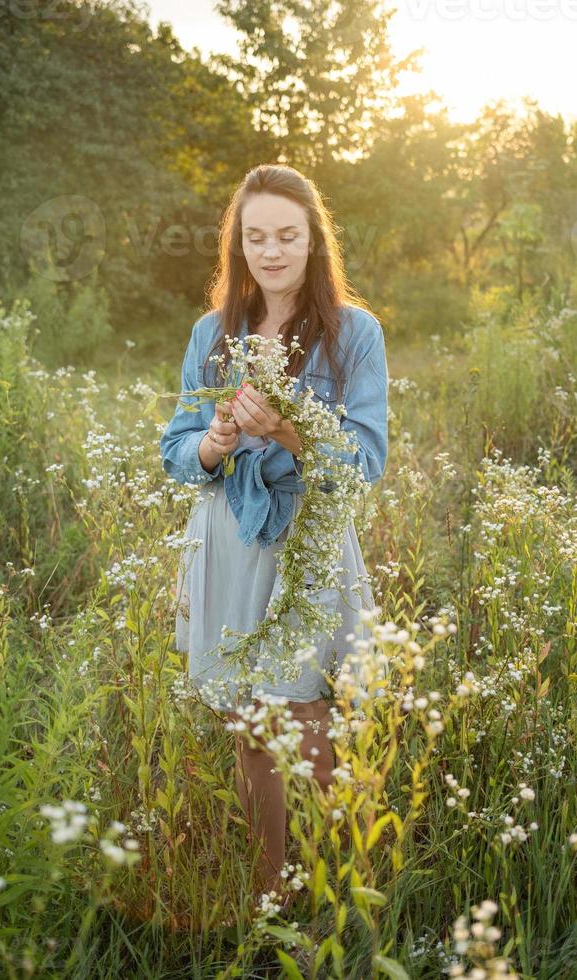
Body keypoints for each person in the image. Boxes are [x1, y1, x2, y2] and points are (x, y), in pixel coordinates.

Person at [160, 163, 388, 905]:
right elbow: (177, 450)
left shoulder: (353, 333)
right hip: (227, 536)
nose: (272, 251)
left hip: (306, 538)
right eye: (255, 237)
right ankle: (272, 890)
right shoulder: (212, 332)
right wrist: (217, 442)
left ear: (313, 240)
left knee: (305, 716)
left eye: (287, 236)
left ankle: (344, 887)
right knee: (247, 719)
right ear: (238, 246)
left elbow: (368, 459)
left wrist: (292, 432)